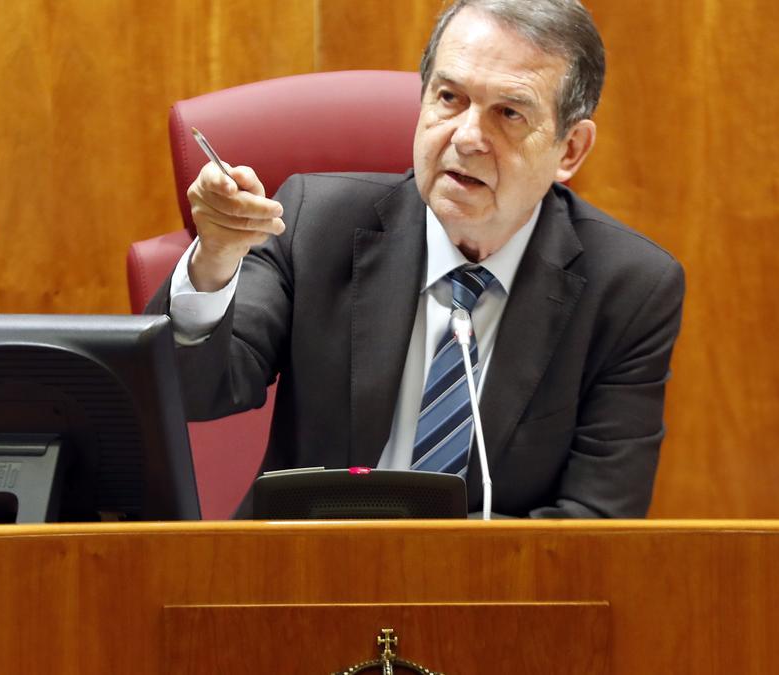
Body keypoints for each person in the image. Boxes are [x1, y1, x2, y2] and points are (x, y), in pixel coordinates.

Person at [149, 0, 684, 518]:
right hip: (303, 575)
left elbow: (597, 518)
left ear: (569, 149)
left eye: (509, 113)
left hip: (489, 592)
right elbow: (192, 393)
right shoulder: (315, 223)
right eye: (449, 97)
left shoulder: (628, 289)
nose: (469, 137)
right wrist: (216, 256)